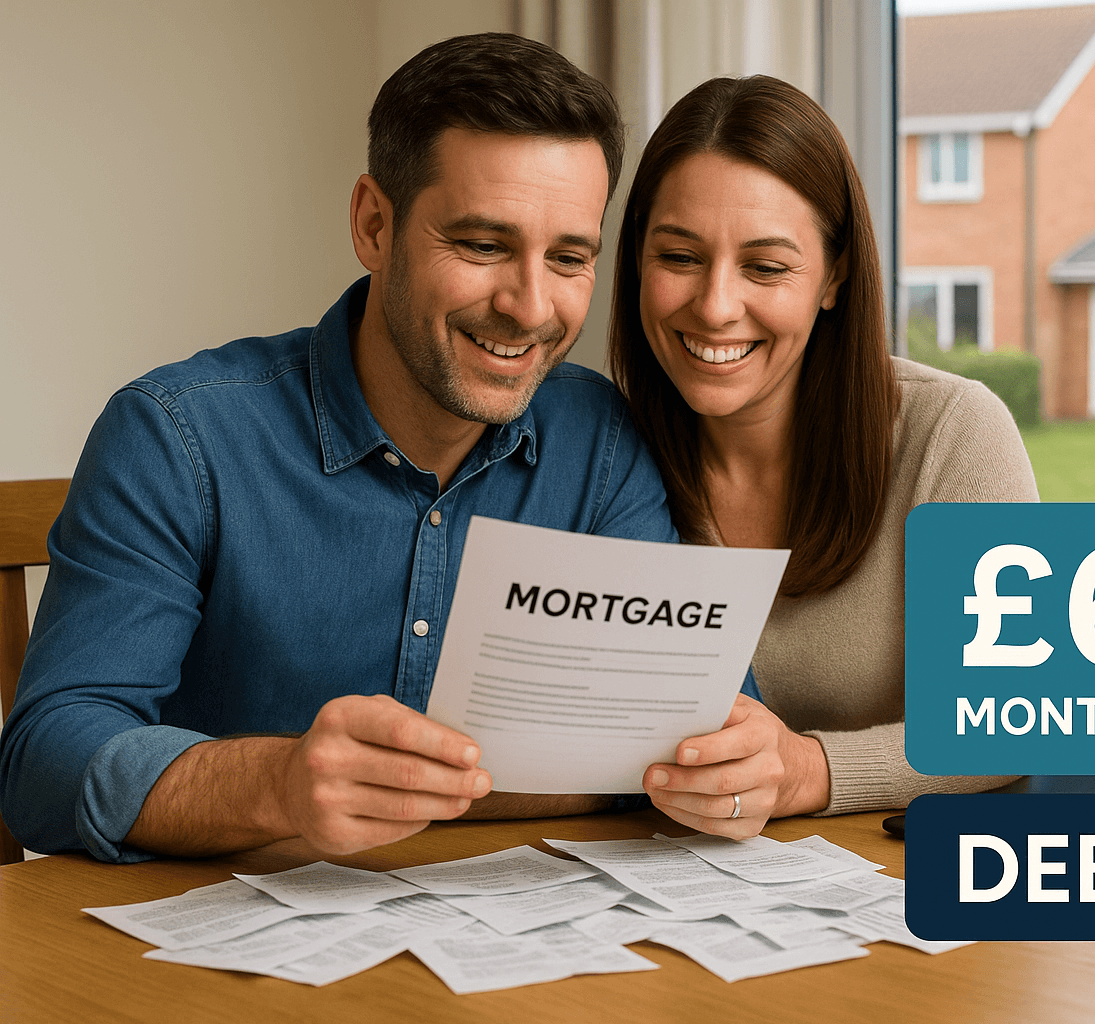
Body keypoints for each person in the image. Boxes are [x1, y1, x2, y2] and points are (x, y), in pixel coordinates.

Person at [0, 34, 756, 864]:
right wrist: (278, 784)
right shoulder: (177, 439)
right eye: (483, 246)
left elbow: (696, 727)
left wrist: (730, 760)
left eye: (569, 257)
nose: (530, 306)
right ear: (373, 225)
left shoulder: (601, 442)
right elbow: (44, 764)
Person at [607, 76, 1040, 839]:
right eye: (678, 256)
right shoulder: (599, 451)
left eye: (766, 267)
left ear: (834, 276)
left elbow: (1010, 723)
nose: (715, 305)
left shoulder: (952, 432)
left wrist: (805, 769)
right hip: (653, 873)